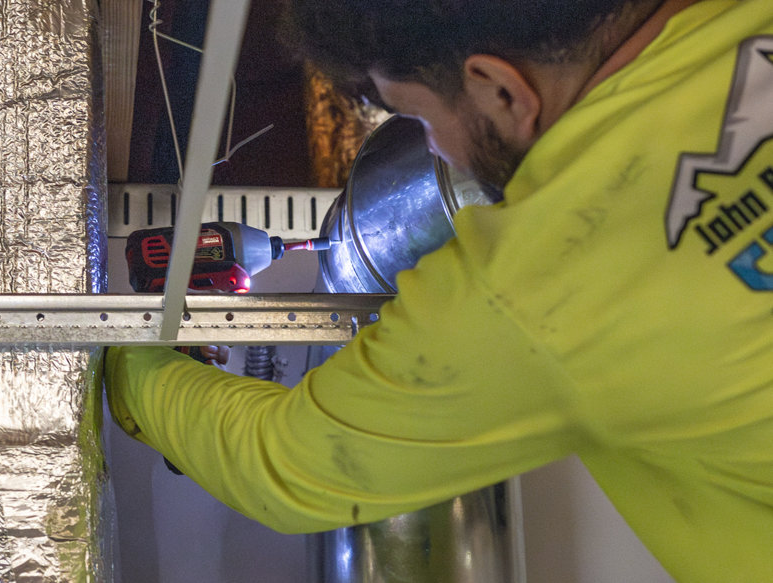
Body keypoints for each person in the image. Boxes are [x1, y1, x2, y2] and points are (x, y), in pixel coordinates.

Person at [105, 0, 773, 580]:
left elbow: (283, 461)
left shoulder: (539, 285)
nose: (439, 152)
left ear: (499, 88)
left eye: (417, 117)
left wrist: (134, 361)